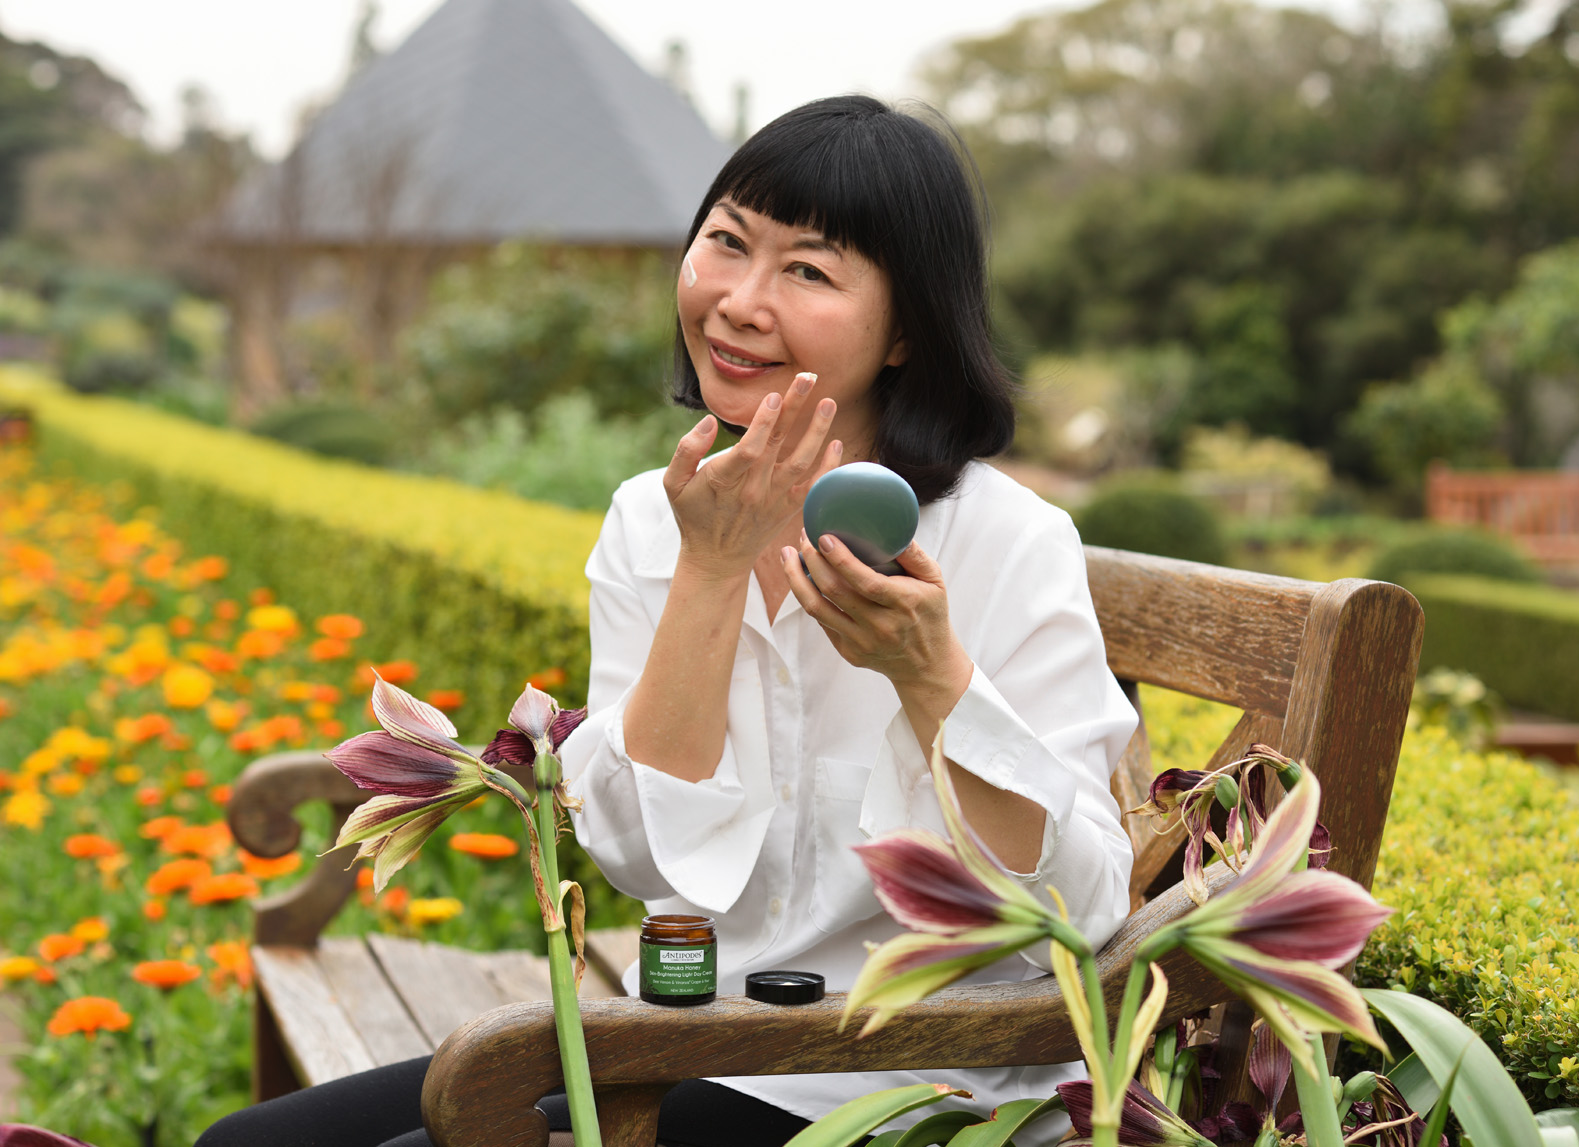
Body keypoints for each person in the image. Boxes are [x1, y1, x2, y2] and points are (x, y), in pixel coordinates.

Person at [197, 94, 1135, 1147]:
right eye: (726, 243)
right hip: (689, 1038)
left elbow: (1085, 908)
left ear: (909, 327)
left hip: (910, 1080)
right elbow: (645, 865)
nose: (737, 300)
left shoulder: (1007, 541)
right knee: (245, 1145)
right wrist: (711, 568)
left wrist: (931, 680)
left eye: (808, 271)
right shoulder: (656, 520)